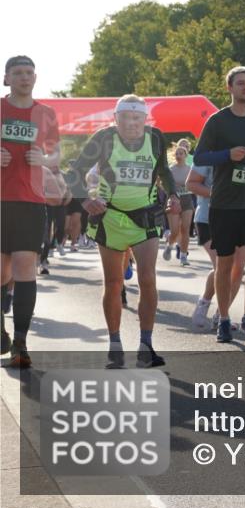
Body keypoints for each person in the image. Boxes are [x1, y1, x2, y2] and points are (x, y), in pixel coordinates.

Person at [68, 94, 179, 368]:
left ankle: (146, 345)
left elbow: (163, 170)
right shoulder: (104, 138)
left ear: (145, 119)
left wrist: (173, 194)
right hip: (110, 218)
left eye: (137, 118)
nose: (132, 123)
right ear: (115, 119)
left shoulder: (154, 138)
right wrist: (85, 200)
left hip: (146, 217)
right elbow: (75, 171)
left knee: (148, 279)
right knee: (114, 283)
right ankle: (115, 345)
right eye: (126, 118)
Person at [193, 66, 245, 344]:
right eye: (241, 83)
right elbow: (200, 157)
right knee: (224, 265)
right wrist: (228, 154)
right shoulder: (217, 121)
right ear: (230, 88)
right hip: (224, 204)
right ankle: (223, 319)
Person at [1, 55, 60, 368]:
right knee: (2, 272)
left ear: (35, 78)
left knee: (25, 268)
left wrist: (45, 160)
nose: (24, 77)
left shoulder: (46, 113)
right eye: (17, 73)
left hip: (31, 201)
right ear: (7, 78)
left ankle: (20, 344)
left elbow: (57, 153)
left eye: (29, 72)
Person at [187, 163, 217, 330]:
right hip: (207, 218)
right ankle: (204, 303)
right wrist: (220, 193)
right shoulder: (207, 152)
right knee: (221, 265)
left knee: (235, 269)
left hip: (236, 216)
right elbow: (191, 184)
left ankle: (221, 315)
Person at [164, 143, 194, 266]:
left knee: (185, 229)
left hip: (187, 199)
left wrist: (189, 186)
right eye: (176, 153)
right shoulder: (171, 169)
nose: (178, 155)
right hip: (174, 201)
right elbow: (160, 183)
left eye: (181, 153)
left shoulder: (190, 169)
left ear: (186, 155)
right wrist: (170, 191)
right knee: (175, 231)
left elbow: (196, 182)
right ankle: (170, 245)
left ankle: (183, 256)